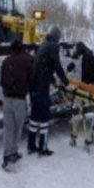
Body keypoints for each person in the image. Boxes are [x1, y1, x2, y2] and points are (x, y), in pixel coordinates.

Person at [29, 26, 69, 156]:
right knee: (45, 117)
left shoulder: (43, 45)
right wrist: (65, 82)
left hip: (33, 86)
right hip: (42, 87)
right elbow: (57, 65)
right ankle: (42, 148)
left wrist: (53, 80)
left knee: (35, 116)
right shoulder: (53, 46)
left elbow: (44, 65)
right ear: (57, 37)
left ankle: (31, 145)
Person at [0, 39, 33, 169]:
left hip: (7, 99)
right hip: (20, 99)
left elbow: (2, 81)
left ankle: (7, 154)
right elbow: (32, 79)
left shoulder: (5, 61)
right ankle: (14, 151)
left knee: (8, 128)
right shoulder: (28, 60)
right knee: (18, 128)